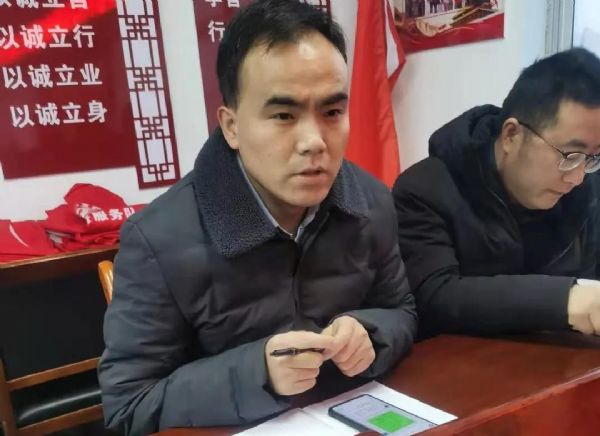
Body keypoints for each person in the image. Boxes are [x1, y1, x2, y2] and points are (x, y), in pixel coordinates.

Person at [98, 1, 417, 434]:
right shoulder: (158, 239)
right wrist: (258, 372)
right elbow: (128, 405)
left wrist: (371, 332)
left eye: (332, 112)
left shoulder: (371, 201)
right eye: (283, 115)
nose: (314, 142)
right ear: (231, 126)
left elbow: (402, 311)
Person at [392, 47, 600, 338]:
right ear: (511, 135)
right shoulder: (425, 190)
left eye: (592, 158)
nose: (577, 177)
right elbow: (435, 297)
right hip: (459, 360)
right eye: (569, 155)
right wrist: (567, 299)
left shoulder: (586, 187)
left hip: (562, 357)